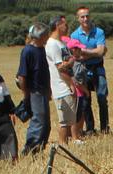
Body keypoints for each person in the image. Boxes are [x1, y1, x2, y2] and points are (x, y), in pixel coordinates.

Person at [70, 5, 110, 135]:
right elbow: (77, 55)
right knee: (85, 101)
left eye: (87, 16)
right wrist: (94, 52)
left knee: (102, 97)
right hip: (82, 69)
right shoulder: (74, 35)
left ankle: (105, 128)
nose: (86, 19)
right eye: (82, 17)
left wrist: (85, 51)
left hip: (98, 68)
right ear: (78, 19)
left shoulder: (99, 32)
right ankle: (90, 129)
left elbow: (101, 51)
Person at [46, 15, 81, 145]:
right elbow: (60, 68)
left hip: (66, 84)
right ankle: (62, 144)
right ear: (57, 26)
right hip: (61, 87)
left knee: (70, 119)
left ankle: (68, 143)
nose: (67, 27)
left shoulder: (61, 43)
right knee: (64, 122)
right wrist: (71, 84)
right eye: (64, 24)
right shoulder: (52, 44)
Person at [18, 24, 53, 155]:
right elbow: (22, 76)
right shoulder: (28, 51)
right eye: (46, 35)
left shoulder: (42, 49)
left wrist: (49, 90)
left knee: (46, 123)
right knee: (38, 121)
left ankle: (40, 149)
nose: (48, 37)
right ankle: (30, 150)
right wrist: (26, 94)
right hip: (34, 91)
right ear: (41, 36)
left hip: (43, 91)